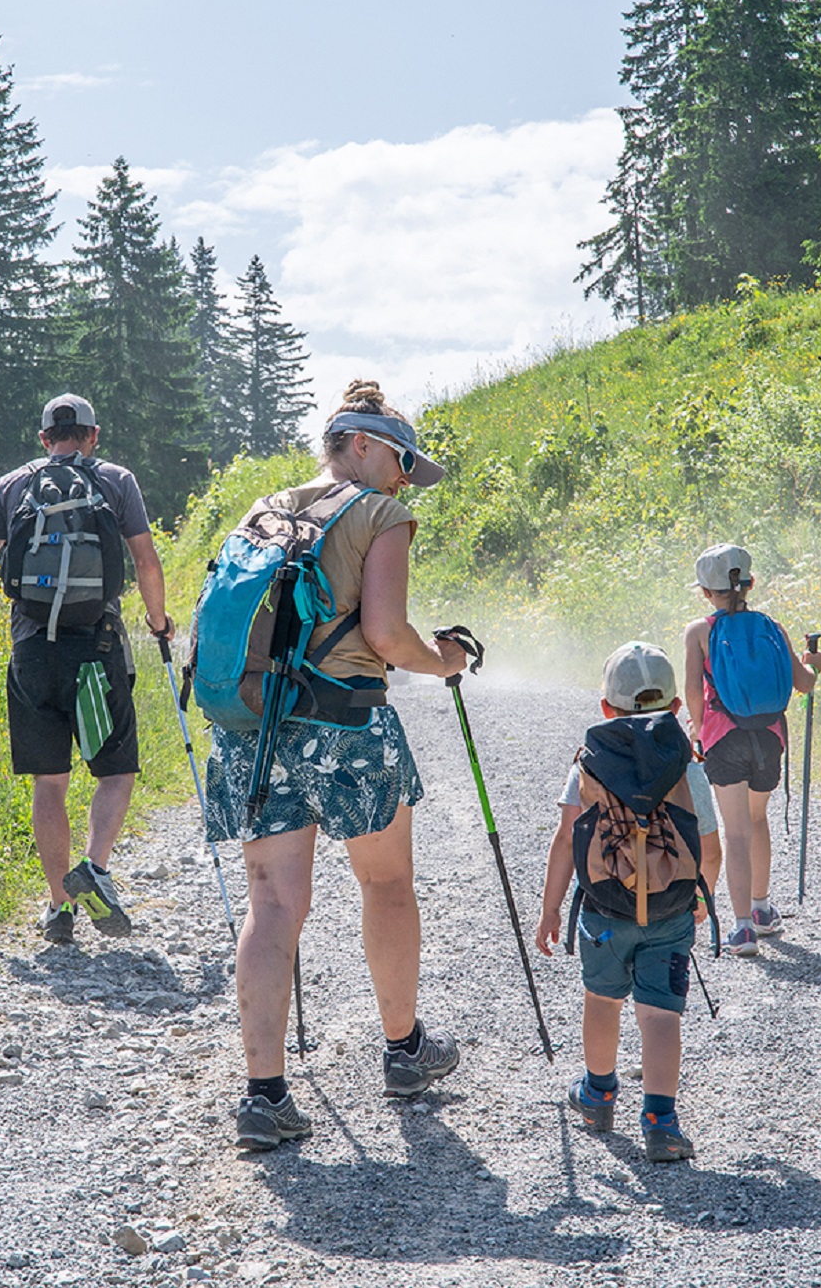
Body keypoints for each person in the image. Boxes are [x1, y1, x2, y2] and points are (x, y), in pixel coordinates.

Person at [202, 381, 470, 1152]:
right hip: (343, 723)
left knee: (273, 902)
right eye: (399, 459)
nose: (403, 476)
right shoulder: (380, 513)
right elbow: (386, 634)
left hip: (253, 725)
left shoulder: (267, 507)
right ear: (358, 443)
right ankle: (405, 1052)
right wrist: (443, 660)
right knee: (384, 882)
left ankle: (263, 1095)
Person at [0, 394, 174, 945]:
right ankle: (95, 868)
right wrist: (158, 621)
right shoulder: (116, 481)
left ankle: (60, 907)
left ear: (43, 439)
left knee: (49, 783)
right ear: (92, 435)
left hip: (32, 651)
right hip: (95, 648)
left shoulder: (12, 486)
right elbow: (145, 561)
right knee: (116, 768)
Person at [535, 642, 712, 1162]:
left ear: (606, 708)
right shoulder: (687, 766)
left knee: (602, 1000)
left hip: (603, 908)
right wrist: (702, 896)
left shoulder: (588, 763)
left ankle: (598, 1095)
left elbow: (567, 839)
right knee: (659, 1017)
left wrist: (549, 910)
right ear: (677, 708)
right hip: (670, 911)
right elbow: (711, 845)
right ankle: (660, 1121)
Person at [680, 543, 821, 956]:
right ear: (750, 583)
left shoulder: (699, 632)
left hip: (724, 738)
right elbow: (805, 684)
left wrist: (698, 729)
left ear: (706, 592)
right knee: (758, 819)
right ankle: (762, 909)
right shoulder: (773, 627)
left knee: (736, 830)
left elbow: (693, 689)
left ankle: (742, 927)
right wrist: (815, 662)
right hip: (769, 736)